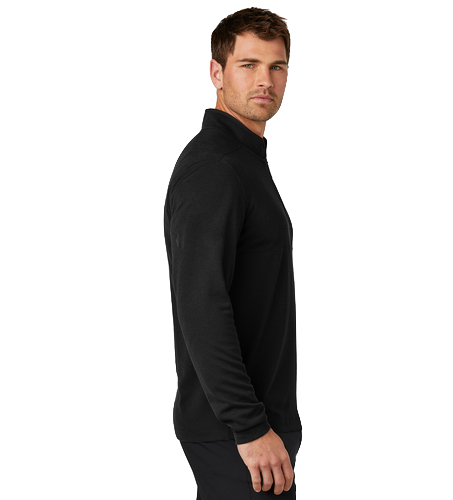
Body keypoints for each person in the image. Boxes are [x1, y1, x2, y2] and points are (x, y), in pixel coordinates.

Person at [163, 7, 302, 498]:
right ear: (217, 73)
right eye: (248, 64)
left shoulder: (244, 160)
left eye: (277, 66)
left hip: (256, 428)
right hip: (238, 434)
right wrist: (249, 426)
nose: (265, 79)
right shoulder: (215, 168)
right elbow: (202, 306)